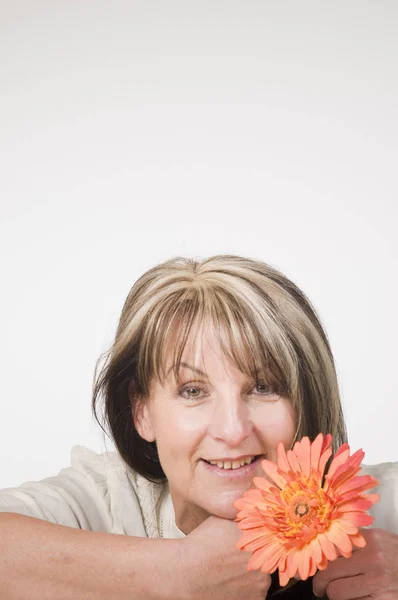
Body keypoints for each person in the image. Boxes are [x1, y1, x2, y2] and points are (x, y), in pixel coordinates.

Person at [0, 255, 397, 600]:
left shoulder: (382, 507)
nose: (232, 429)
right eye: (192, 391)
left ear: (308, 398)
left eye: (263, 387)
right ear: (142, 411)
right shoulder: (106, 499)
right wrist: (175, 574)